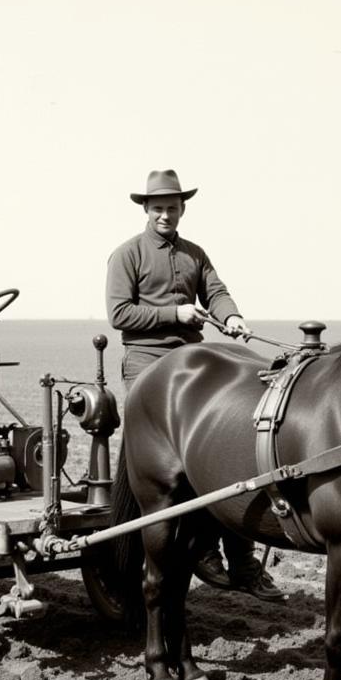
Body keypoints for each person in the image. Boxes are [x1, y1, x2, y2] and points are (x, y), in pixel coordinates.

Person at [105, 169, 283, 601]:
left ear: (182, 209)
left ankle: (242, 561)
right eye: (158, 207)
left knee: (231, 449)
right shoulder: (127, 255)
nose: (166, 214)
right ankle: (202, 550)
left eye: (173, 207)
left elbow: (216, 292)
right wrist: (175, 315)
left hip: (192, 357)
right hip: (148, 360)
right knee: (179, 465)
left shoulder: (195, 254)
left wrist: (232, 316)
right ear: (146, 210)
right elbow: (120, 315)